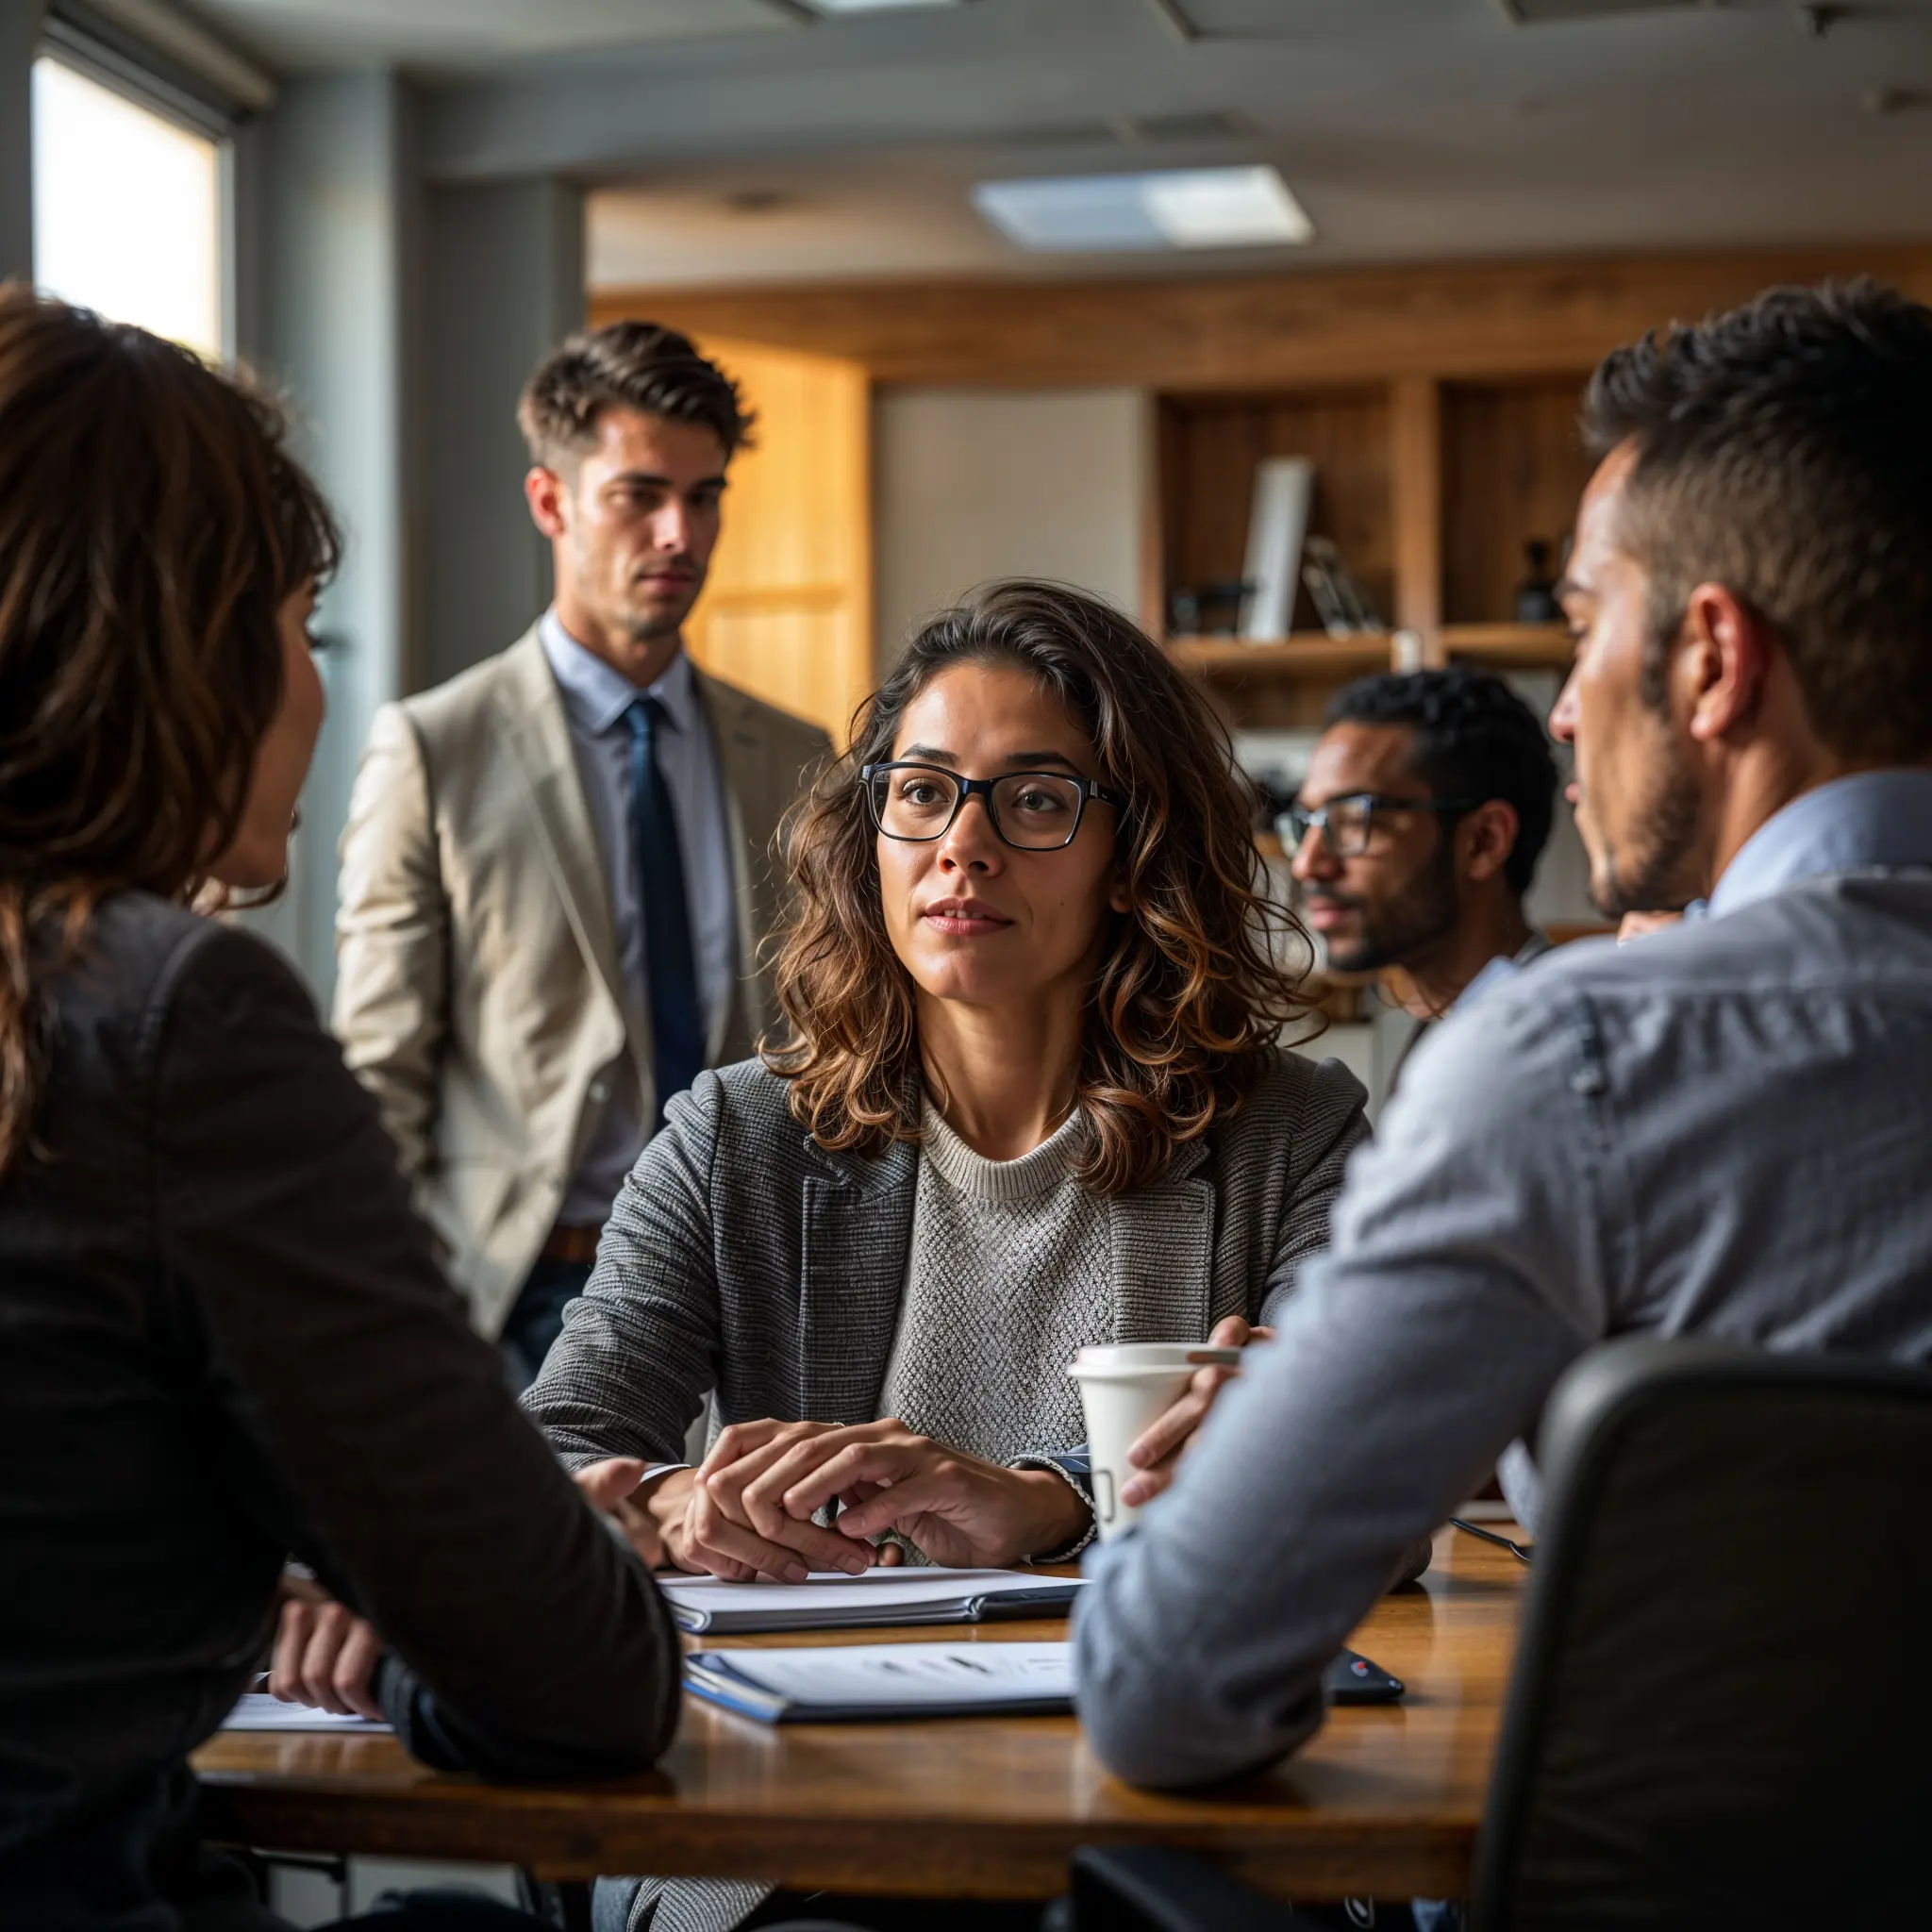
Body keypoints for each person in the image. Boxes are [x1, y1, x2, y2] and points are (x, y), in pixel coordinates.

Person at [1074, 277, 1932, 1792]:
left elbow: (1164, 1687)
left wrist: (1319, 1441)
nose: (1562, 713)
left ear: (1713, 659)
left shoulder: (1576, 1066)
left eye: (1586, 628)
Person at [520, 579, 1376, 1932]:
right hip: (809, 1833)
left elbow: (1365, 1482)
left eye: (1034, 799)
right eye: (921, 793)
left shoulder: (1293, 1132)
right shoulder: (736, 1137)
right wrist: (671, 1505)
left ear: (1135, 849)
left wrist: (1054, 1500)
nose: (961, 847)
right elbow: (548, 1455)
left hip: (1172, 1816)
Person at [0, 291, 689, 1932]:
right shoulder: (174, 1018)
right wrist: (460, 1594)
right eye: (301, 623)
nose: (313, 688)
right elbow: (584, 1682)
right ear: (181, 653)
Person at [333, 320, 832, 1387]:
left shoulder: (795, 755)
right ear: (551, 502)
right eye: (638, 495)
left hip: (763, 1270)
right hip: (531, 1285)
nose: (678, 534)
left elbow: (835, 1022)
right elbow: (382, 1067)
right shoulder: (436, 748)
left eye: (703, 497)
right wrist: (396, 1308)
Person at [1286, 667, 1558, 1054]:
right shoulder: (1449, 1028)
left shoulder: (1549, 1050)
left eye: (1355, 819)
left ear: (1484, 842)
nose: (1307, 864)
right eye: (1307, 822)